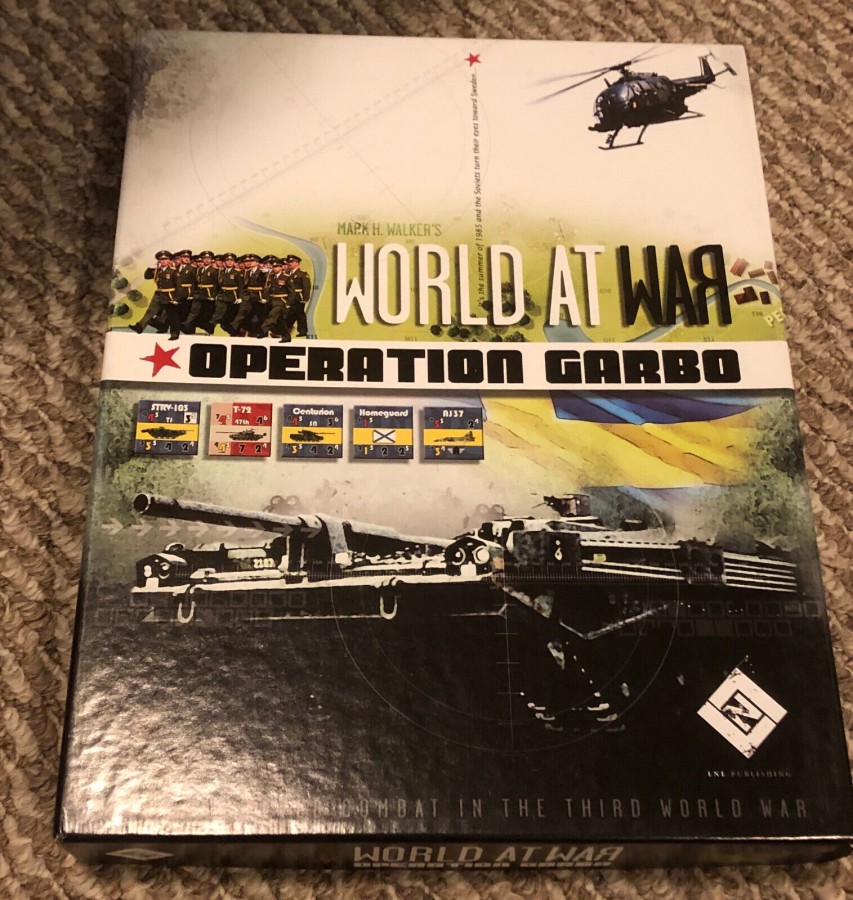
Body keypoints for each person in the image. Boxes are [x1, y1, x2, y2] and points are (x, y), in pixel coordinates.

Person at [131, 251, 182, 339]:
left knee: (172, 315)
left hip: (169, 295)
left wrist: (176, 299)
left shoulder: (173, 271)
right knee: (150, 311)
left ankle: (174, 334)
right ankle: (140, 327)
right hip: (158, 294)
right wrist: (151, 267)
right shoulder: (157, 271)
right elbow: (147, 276)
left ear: (169, 261)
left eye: (165, 259)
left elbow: (179, 286)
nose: (163, 261)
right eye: (161, 259)